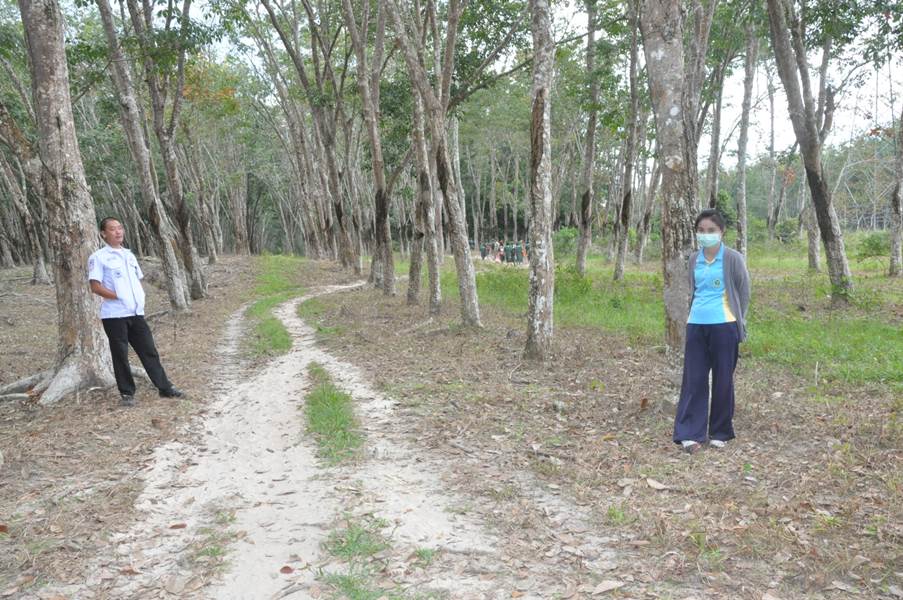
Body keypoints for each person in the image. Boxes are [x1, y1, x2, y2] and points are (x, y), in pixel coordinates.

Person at [674, 209, 750, 453]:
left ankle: (720, 432)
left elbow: (743, 291)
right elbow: (694, 290)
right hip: (696, 324)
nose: (705, 234)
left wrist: (738, 320)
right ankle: (690, 433)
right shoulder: (694, 259)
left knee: (723, 379)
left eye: (711, 230)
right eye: (701, 230)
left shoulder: (733, 258)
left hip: (725, 326)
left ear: (721, 232)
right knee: (694, 379)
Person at [88, 217, 184, 407]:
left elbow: (136, 280)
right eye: (112, 229)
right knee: (120, 354)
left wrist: (138, 298)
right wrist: (118, 296)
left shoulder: (129, 255)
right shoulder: (98, 257)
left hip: (135, 313)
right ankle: (127, 393)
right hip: (114, 315)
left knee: (149, 350)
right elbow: (95, 287)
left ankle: (165, 388)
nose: (118, 232)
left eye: (120, 228)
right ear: (103, 234)